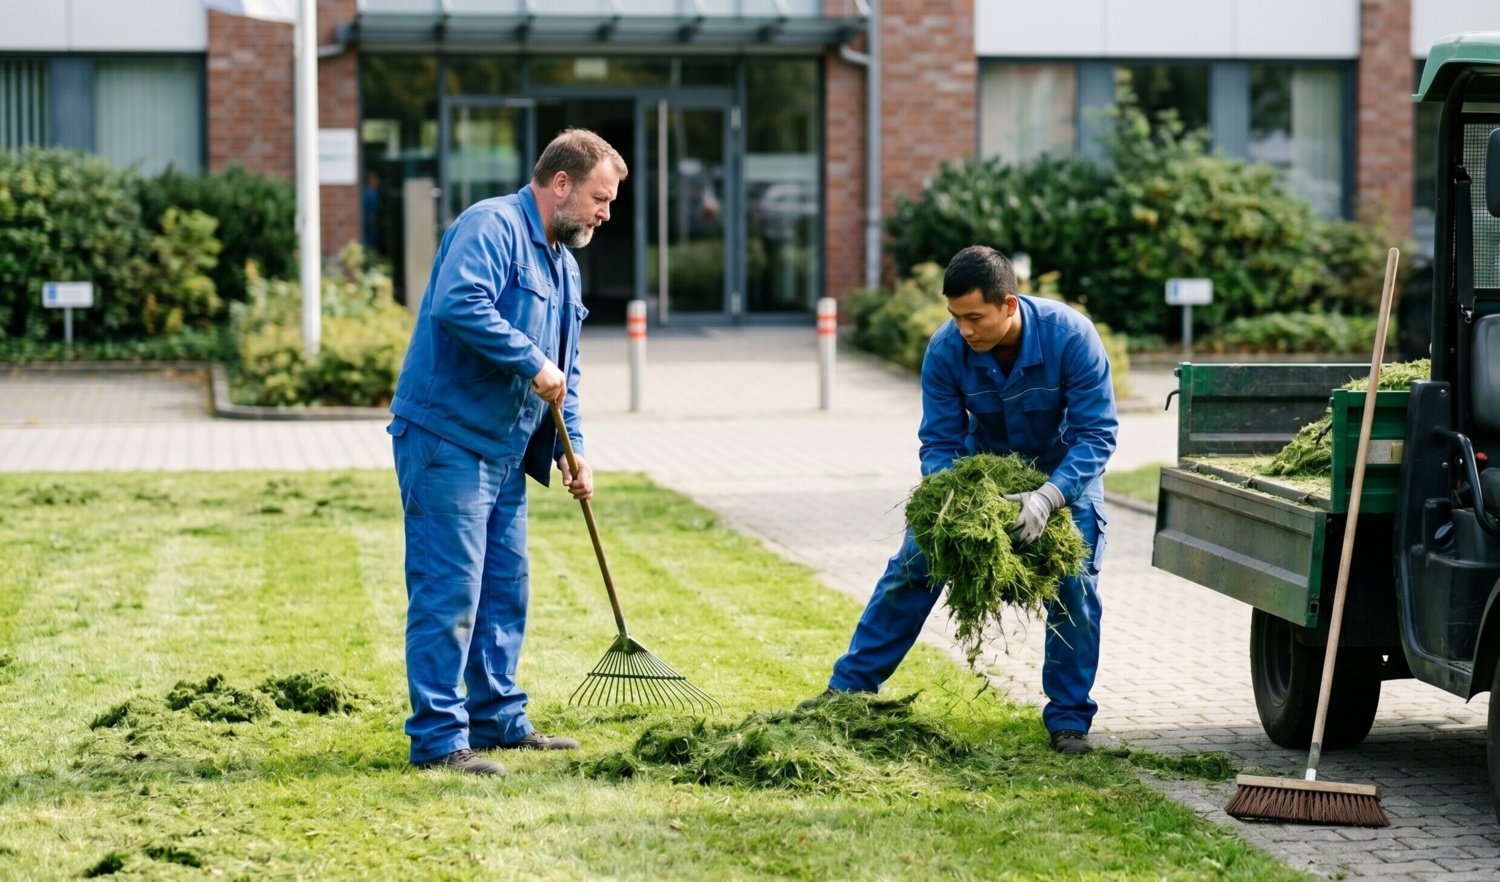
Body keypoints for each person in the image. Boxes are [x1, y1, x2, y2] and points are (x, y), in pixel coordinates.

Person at [808, 245, 1117, 755]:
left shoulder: (1071, 337)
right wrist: (957, 497)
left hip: (1063, 476)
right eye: (955, 317)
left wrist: (1048, 497)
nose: (965, 330)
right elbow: (941, 442)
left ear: (1009, 305)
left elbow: (1096, 435)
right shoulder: (946, 349)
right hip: (980, 474)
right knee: (912, 566)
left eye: (975, 317)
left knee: (1075, 585)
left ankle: (1069, 721)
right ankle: (847, 691)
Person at [387, 129, 626, 776]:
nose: (606, 213)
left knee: (503, 589)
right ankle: (439, 741)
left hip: (505, 447)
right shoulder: (489, 226)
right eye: (600, 198)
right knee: (449, 590)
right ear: (560, 184)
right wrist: (530, 361)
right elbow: (458, 303)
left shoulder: (563, 264)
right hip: (447, 438)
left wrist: (573, 452)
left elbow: (564, 375)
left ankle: (497, 721)